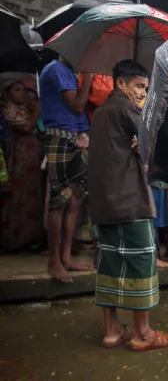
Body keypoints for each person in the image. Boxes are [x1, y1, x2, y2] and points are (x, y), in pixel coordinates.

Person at [89, 59, 168, 351]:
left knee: (110, 265)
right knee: (141, 264)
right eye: (139, 86)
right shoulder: (125, 107)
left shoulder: (101, 112)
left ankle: (112, 331)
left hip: (104, 205)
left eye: (145, 87)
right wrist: (145, 139)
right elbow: (153, 137)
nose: (142, 93)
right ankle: (142, 333)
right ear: (120, 83)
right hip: (130, 202)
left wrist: (140, 142)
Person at [39, 56, 94, 282]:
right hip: (60, 138)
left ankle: (66, 257)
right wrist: (89, 78)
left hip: (77, 138)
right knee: (59, 201)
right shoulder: (57, 69)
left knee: (74, 201)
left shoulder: (68, 72)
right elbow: (77, 105)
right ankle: (54, 261)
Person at [0, 77, 44, 252]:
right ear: (7, 93)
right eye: (17, 90)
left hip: (33, 158)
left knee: (34, 196)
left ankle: (33, 237)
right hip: (18, 159)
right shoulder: (7, 108)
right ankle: (15, 239)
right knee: (19, 196)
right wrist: (37, 111)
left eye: (23, 90)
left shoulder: (25, 106)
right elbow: (26, 126)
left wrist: (34, 105)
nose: (22, 94)